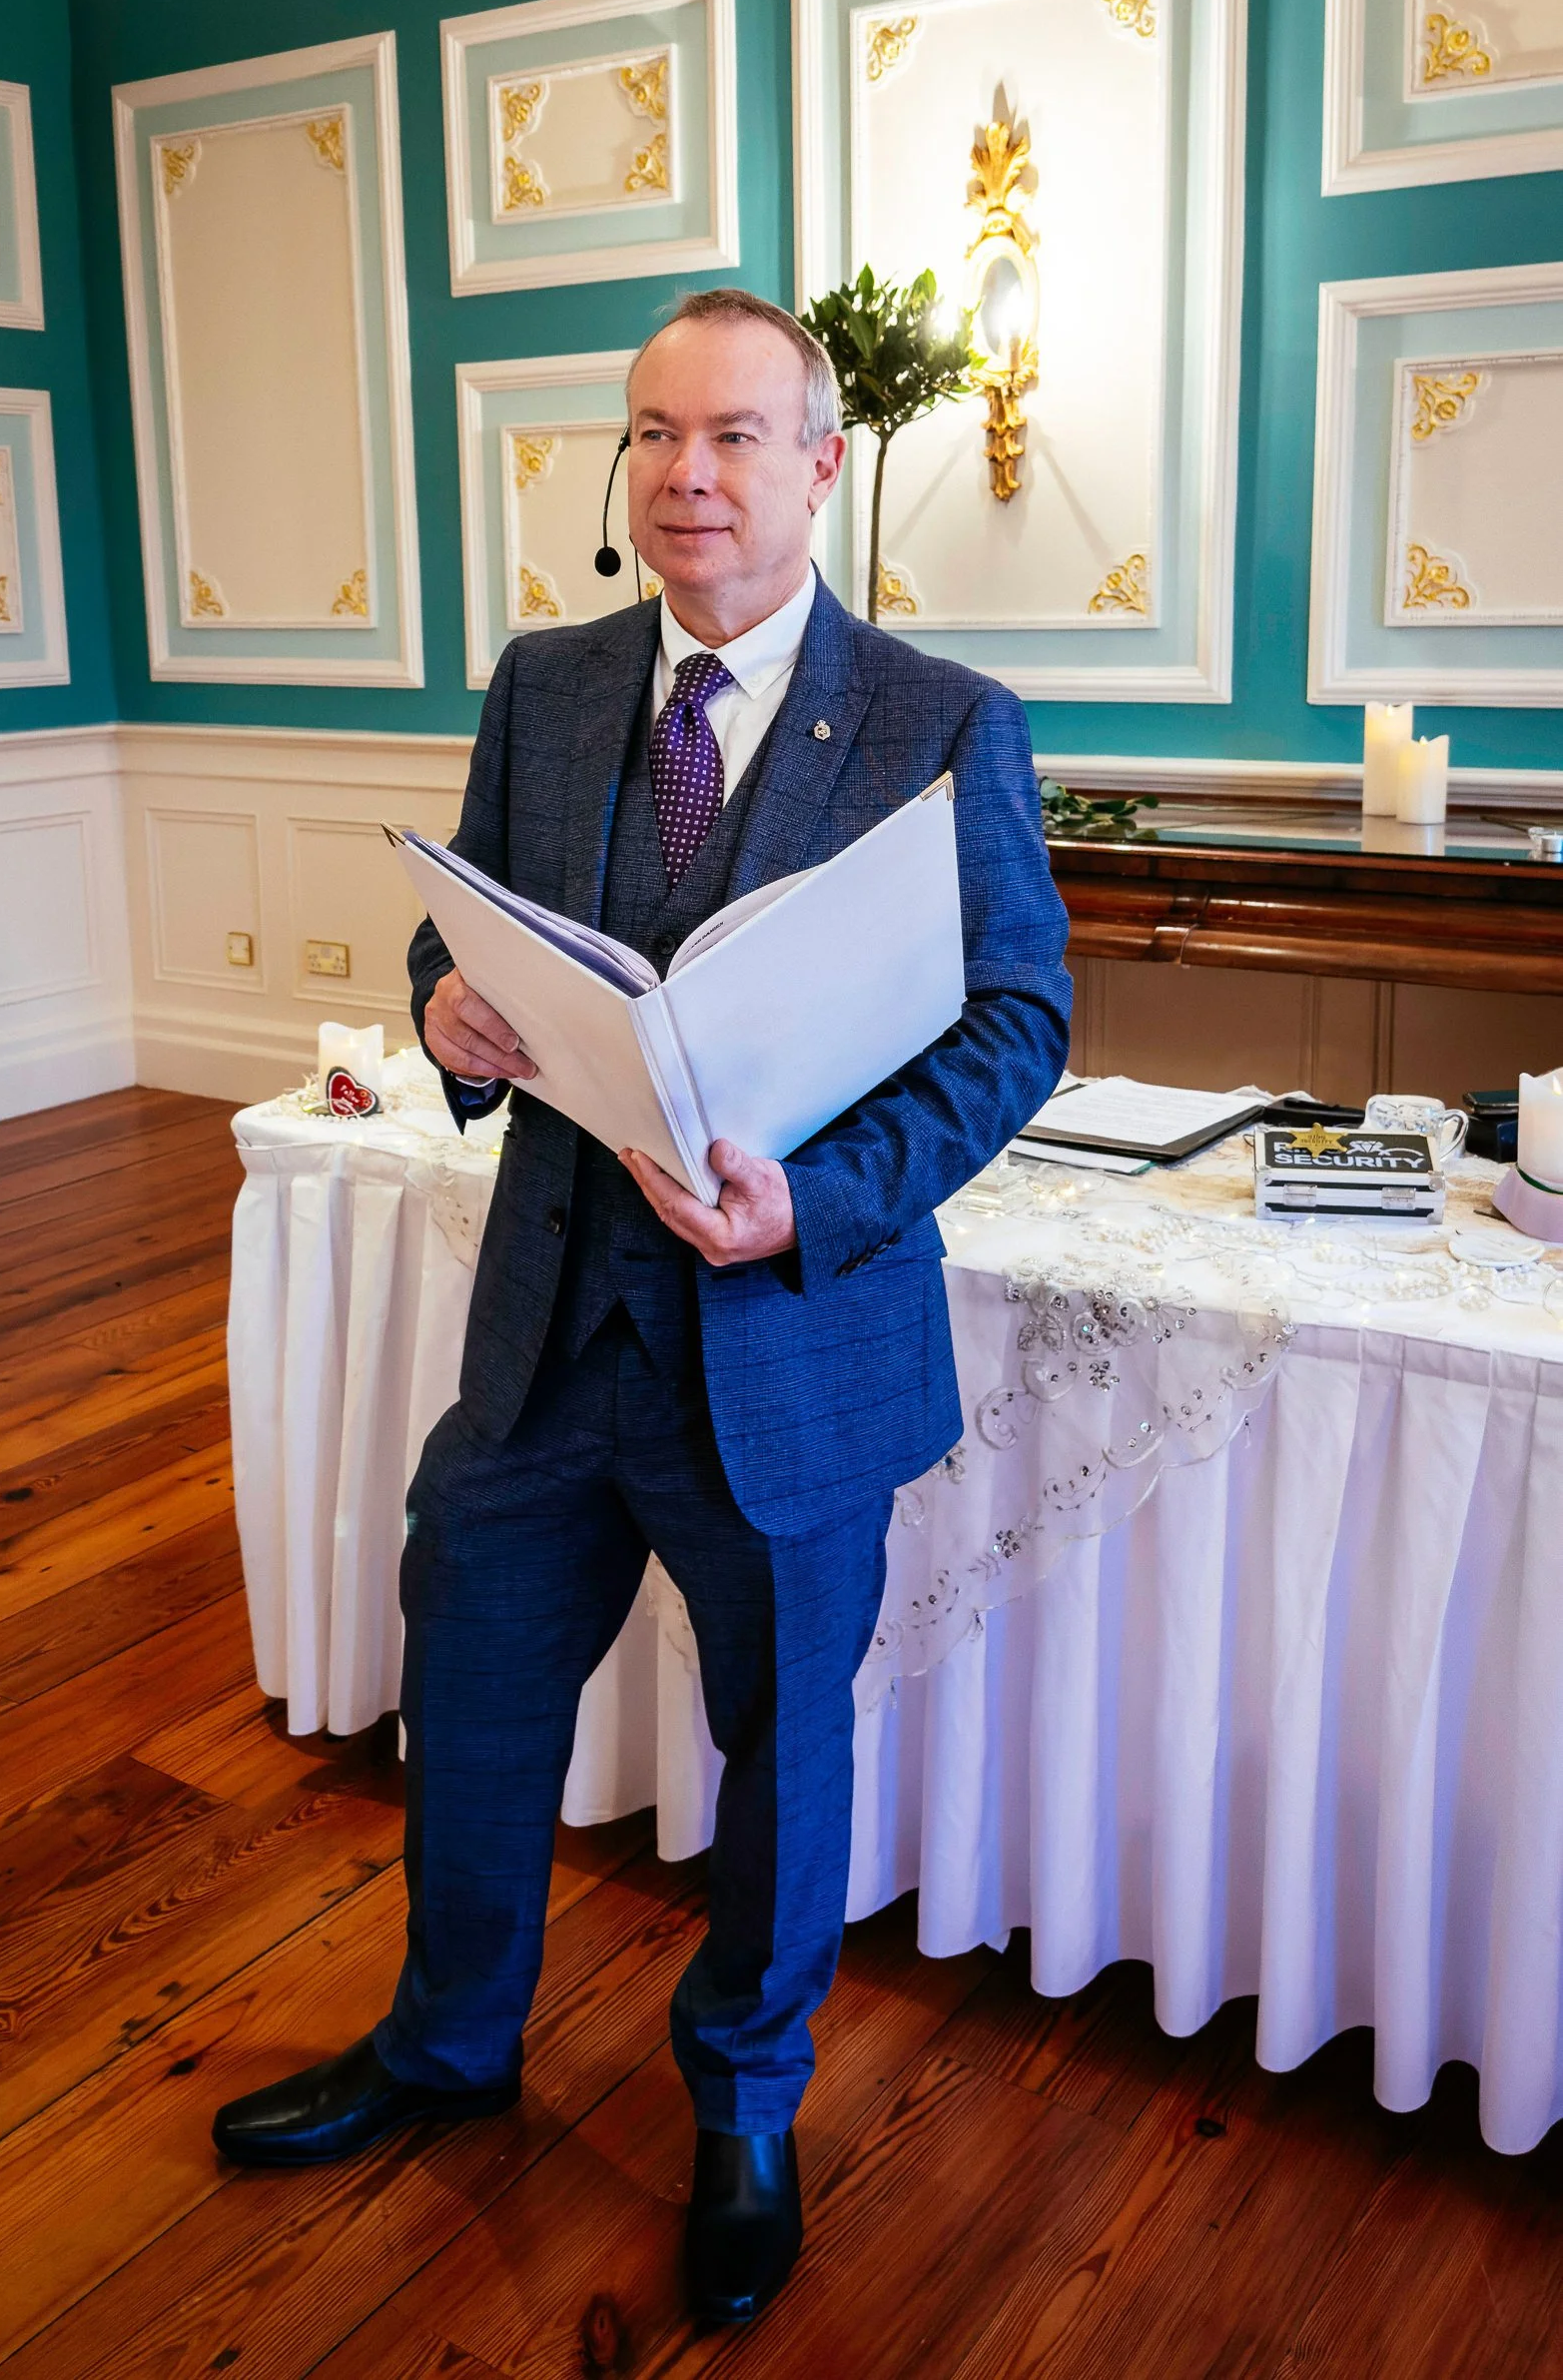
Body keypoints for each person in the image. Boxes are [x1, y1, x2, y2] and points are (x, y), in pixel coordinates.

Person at [213, 288, 1071, 2324]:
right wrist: (449, 1010)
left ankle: (744, 2107)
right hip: (542, 1344)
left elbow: (1017, 1018)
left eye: (736, 437)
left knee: (779, 1762)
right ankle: (444, 2040)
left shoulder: (945, 722)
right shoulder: (544, 679)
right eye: (655, 437)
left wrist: (817, 1195)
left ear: (819, 464)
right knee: (478, 1698)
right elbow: (472, 922)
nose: (688, 475)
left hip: (785, 1345)